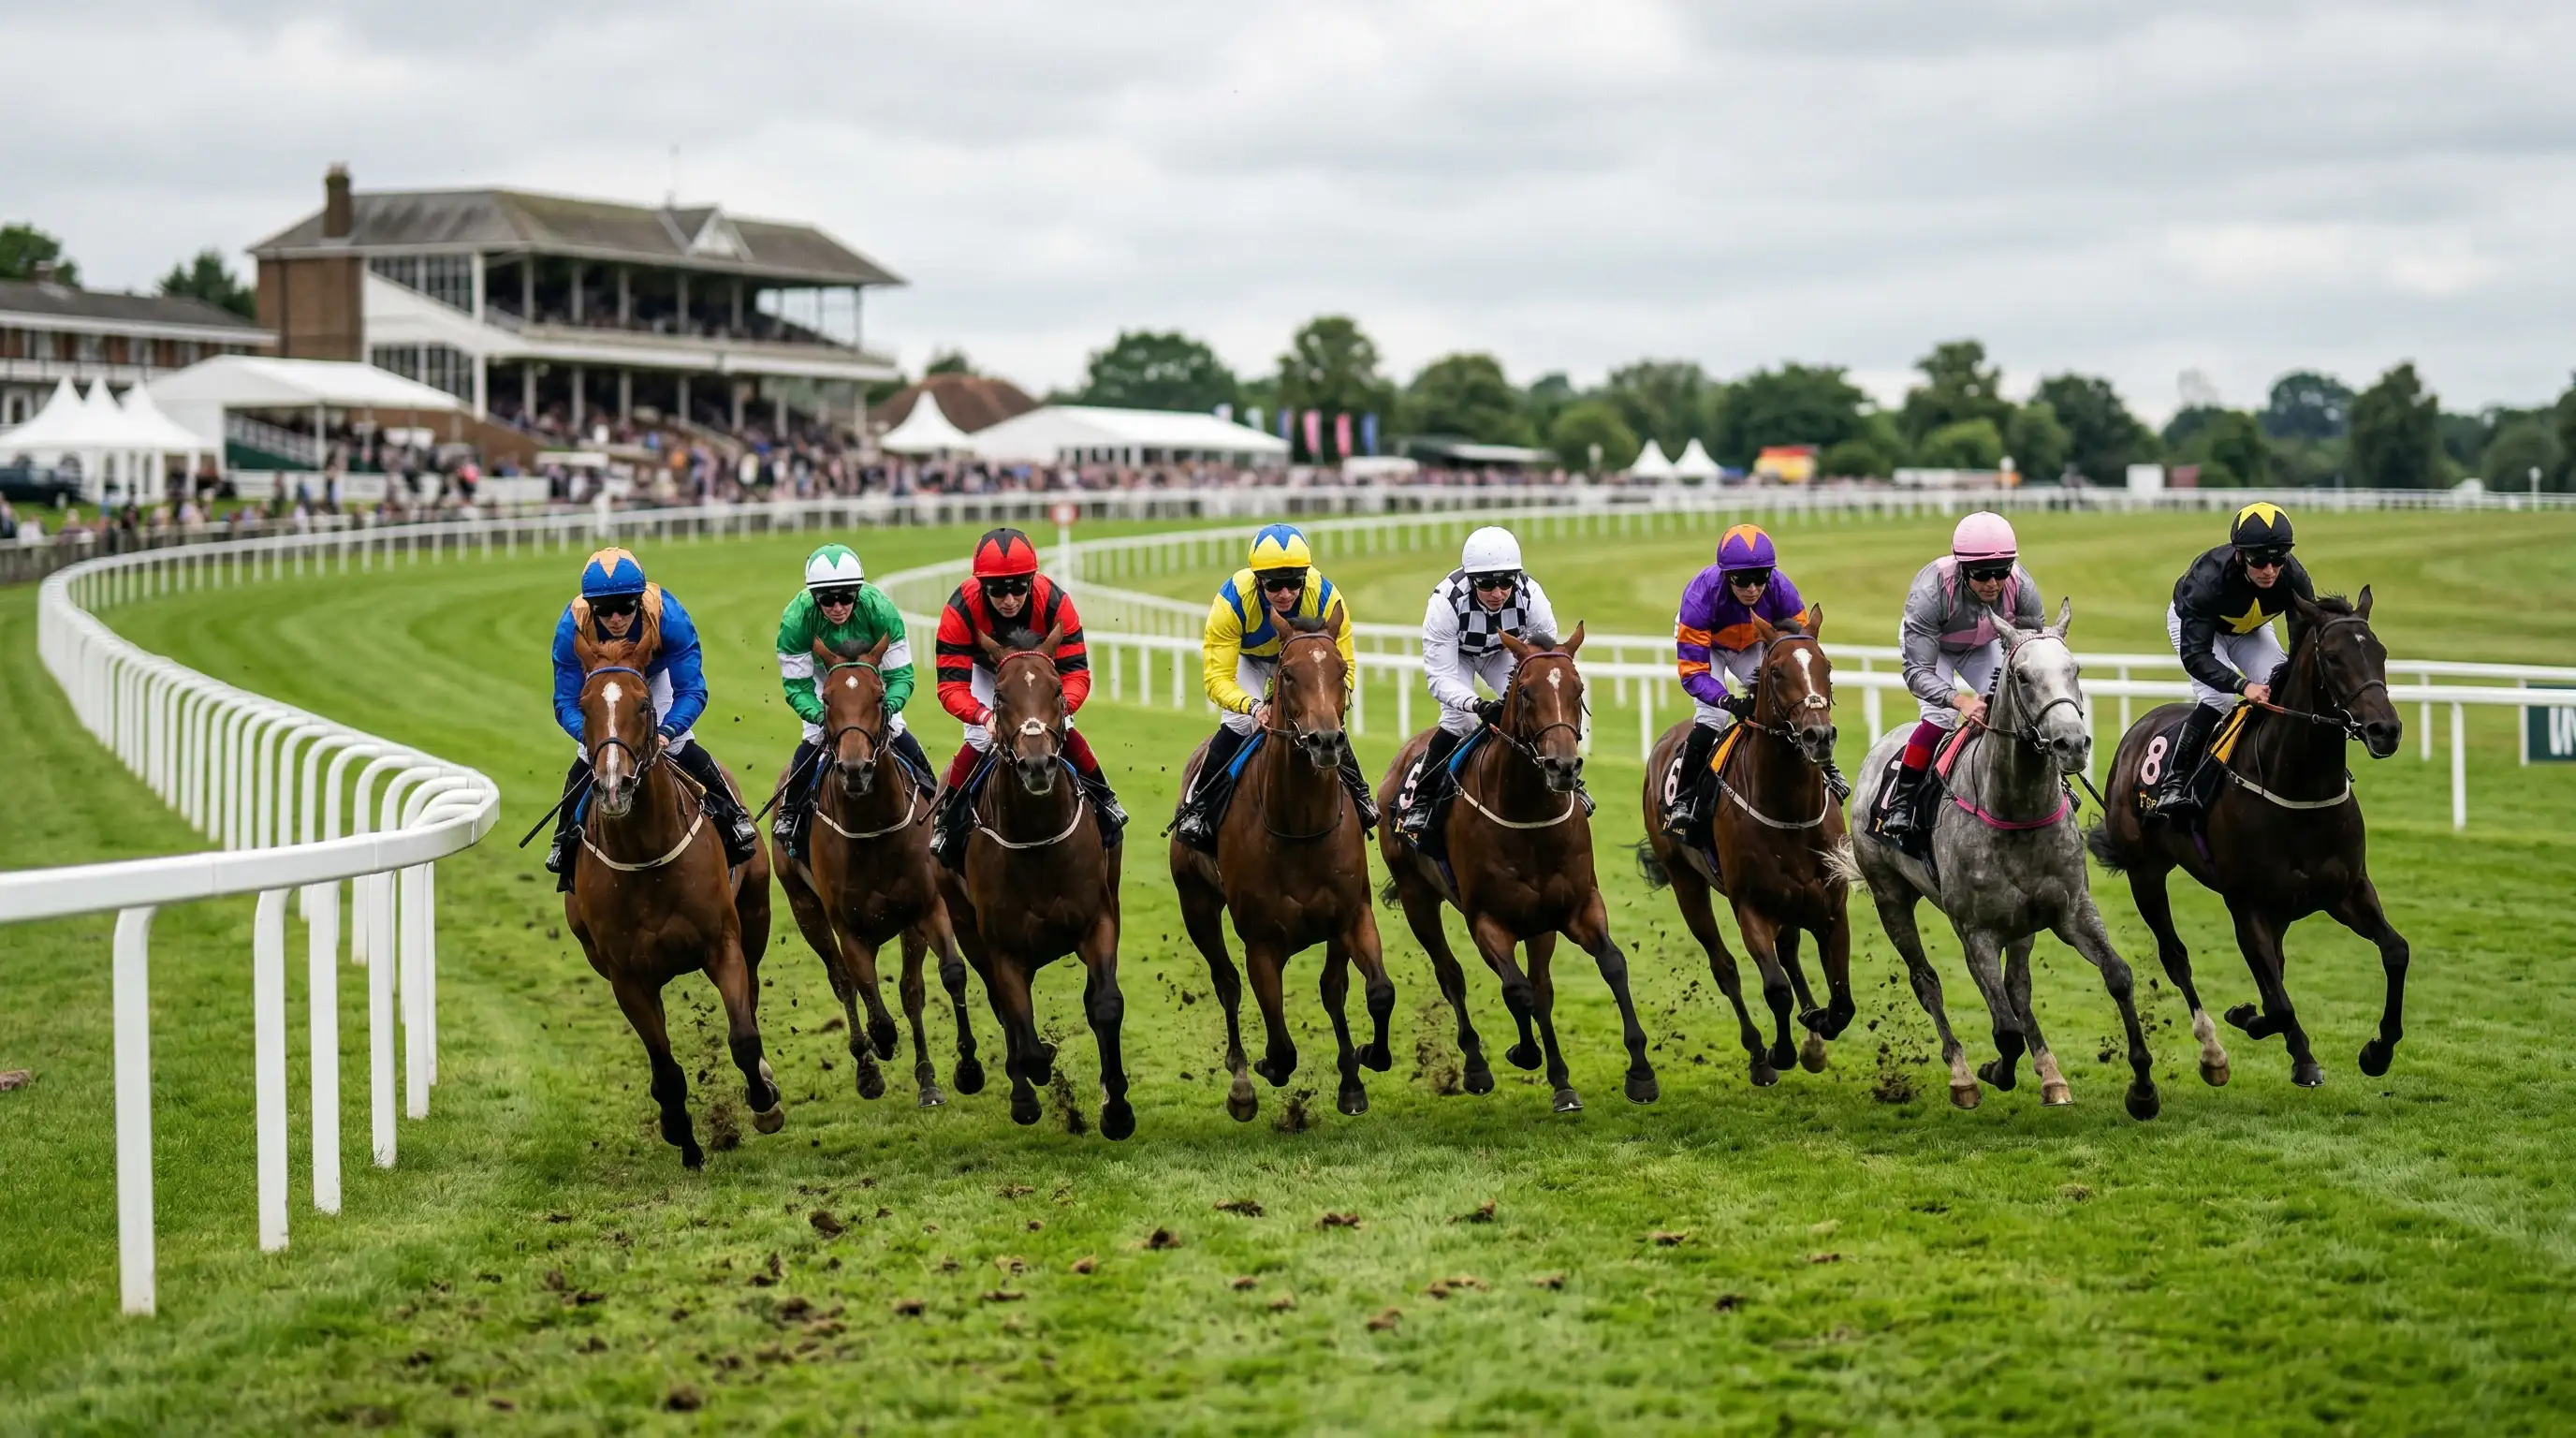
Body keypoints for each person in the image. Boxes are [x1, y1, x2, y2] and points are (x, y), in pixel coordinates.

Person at [544, 547, 758, 888]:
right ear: (590, 607)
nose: (616, 619)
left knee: (680, 747)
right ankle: (564, 839)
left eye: (626, 607)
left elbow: (692, 690)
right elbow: (565, 701)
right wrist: (593, 738)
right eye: (605, 610)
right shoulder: (572, 627)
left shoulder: (667, 616)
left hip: (652, 680)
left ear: (639, 600)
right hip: (602, 683)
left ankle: (733, 815)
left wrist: (668, 731)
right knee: (587, 758)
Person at [1170, 522, 1377, 852]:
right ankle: (1200, 806)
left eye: (1294, 583)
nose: (1285, 593)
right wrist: (1254, 706)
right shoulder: (1232, 602)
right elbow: (1216, 679)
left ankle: (1361, 795)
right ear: (1257, 581)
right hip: (1250, 661)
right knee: (1239, 723)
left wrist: (1326, 701)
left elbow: (1343, 668)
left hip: (1306, 662)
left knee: (1325, 721)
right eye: (1274, 585)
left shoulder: (1325, 597)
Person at [927, 527, 1127, 866]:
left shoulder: (1055, 602)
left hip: (1040, 671)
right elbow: (951, 686)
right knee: (978, 738)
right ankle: (949, 819)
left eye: (1019, 587)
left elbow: (1077, 672)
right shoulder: (961, 609)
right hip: (988, 672)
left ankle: (1104, 798)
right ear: (981, 586)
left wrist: (1060, 707)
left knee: (1064, 726)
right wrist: (984, 717)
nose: (1009, 599)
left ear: (1032, 580)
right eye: (997, 590)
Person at [1875, 511, 2045, 844]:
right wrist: (1961, 700)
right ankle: (1902, 800)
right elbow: (1917, 672)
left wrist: (2000, 690)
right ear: (1963, 569)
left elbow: (2028, 650)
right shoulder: (1929, 591)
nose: (1994, 584)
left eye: (2001, 573)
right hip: (1932, 649)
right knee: (1941, 715)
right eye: (1982, 575)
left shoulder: (2022, 586)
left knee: (2018, 707)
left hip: (1981, 644)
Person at [1665, 522, 1844, 839]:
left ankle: (1825, 766)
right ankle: (1683, 797)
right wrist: (1729, 700)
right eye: (1742, 580)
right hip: (1709, 648)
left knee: (1788, 701)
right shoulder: (1700, 597)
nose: (1753, 589)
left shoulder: (1781, 588)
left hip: (1750, 644)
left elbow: (1800, 651)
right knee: (1713, 718)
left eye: (1760, 579)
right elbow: (1693, 673)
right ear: (1725, 576)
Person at [2144, 501, 2318, 821]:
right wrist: (2242, 684)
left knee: (2280, 690)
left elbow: (2302, 641)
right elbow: (2196, 656)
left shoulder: (2294, 578)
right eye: (2259, 561)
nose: (2269, 571)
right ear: (2240, 554)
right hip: (2197, 628)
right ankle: (2175, 781)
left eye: (2278, 559)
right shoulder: (2207, 578)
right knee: (2220, 697)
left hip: (2249, 628)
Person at [771, 542, 933, 859]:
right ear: (813, 598)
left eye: (846, 597)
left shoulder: (879, 609)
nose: (837, 607)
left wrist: (885, 708)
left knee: (896, 728)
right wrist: (823, 715)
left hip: (870, 678)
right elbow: (797, 686)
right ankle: (790, 812)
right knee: (815, 736)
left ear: (858, 592)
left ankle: (933, 795)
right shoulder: (796, 620)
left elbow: (901, 676)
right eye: (827, 600)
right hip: (822, 681)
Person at [1399, 525, 1564, 835]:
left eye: (1505, 582)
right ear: (1472, 580)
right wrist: (1477, 703)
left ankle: (1561, 781)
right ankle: (1422, 799)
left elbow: (1543, 657)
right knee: (1459, 720)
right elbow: (1440, 678)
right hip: (1457, 655)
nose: (1498, 592)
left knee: (1530, 710)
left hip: (1502, 652)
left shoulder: (1531, 595)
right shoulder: (1446, 603)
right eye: (1487, 584)